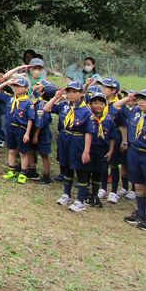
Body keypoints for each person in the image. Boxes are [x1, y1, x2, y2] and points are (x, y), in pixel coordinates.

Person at [44, 81, 94, 212]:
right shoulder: (64, 106)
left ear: (82, 93)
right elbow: (46, 109)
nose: (71, 94)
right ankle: (67, 194)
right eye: (69, 92)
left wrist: (86, 151)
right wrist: (56, 97)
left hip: (78, 140)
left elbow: (89, 132)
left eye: (74, 92)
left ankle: (81, 200)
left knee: (80, 169)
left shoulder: (86, 111)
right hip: (64, 138)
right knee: (66, 166)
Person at [118, 88, 146, 230]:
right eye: (140, 99)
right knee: (139, 186)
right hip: (134, 152)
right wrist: (129, 98)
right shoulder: (135, 112)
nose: (141, 102)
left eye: (145, 99)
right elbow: (116, 106)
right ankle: (141, 215)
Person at [0, 77, 35, 183]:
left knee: (23, 152)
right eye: (15, 86)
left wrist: (27, 133)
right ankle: (11, 170)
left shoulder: (28, 103)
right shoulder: (10, 98)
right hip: (10, 128)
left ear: (26, 89)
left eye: (19, 86)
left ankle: (23, 173)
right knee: (11, 150)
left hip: (21, 129)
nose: (16, 88)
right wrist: (7, 82)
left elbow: (30, 119)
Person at [85, 91, 116, 208]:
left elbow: (112, 137)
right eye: (95, 103)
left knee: (98, 172)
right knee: (86, 171)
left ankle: (95, 195)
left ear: (105, 105)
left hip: (102, 150)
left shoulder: (108, 120)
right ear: (90, 104)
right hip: (90, 148)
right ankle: (86, 193)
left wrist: (111, 151)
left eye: (101, 103)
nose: (98, 106)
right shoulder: (88, 117)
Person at [99, 77, 124, 203]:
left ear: (114, 90)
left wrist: (125, 141)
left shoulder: (119, 105)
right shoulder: (101, 102)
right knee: (103, 163)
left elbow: (123, 124)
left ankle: (113, 191)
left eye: (105, 87)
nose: (103, 89)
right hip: (103, 136)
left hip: (115, 137)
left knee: (114, 164)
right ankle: (103, 188)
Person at [31, 84, 58, 185]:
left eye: (41, 89)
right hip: (39, 130)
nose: (39, 90)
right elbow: (34, 91)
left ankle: (46, 176)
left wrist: (35, 135)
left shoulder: (42, 105)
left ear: (43, 93)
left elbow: (40, 122)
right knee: (32, 150)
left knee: (44, 154)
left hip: (41, 132)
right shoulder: (42, 101)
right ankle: (32, 169)